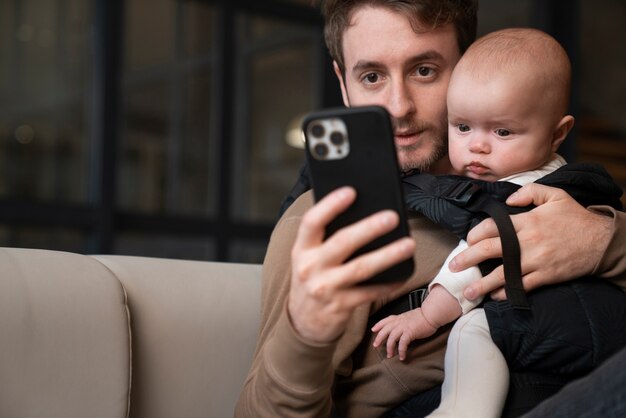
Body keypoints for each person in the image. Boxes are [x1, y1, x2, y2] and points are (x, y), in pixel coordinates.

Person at [235, 1, 626, 417]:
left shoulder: (551, 186)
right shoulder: (327, 221)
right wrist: (305, 334)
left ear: (466, 66)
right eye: (371, 77)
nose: (399, 106)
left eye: (424, 70)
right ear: (343, 84)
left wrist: (606, 240)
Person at [370, 27, 626, 418]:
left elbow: (471, 261)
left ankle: (463, 410)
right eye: (463, 127)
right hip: (590, 333)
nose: (478, 145)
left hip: (540, 328)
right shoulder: (574, 184)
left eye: (502, 131)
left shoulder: (516, 193)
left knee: (471, 332)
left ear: (558, 134)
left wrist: (425, 316)